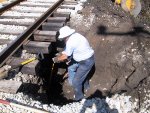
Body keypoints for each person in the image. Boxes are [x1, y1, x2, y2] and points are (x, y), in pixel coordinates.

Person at [52, 26, 95, 101]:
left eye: (63, 38)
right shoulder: (76, 35)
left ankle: (79, 98)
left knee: (77, 81)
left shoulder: (70, 42)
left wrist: (57, 59)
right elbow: (68, 50)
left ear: (66, 36)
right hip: (83, 58)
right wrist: (64, 55)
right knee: (71, 68)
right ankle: (78, 84)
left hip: (86, 61)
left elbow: (66, 55)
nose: (63, 40)